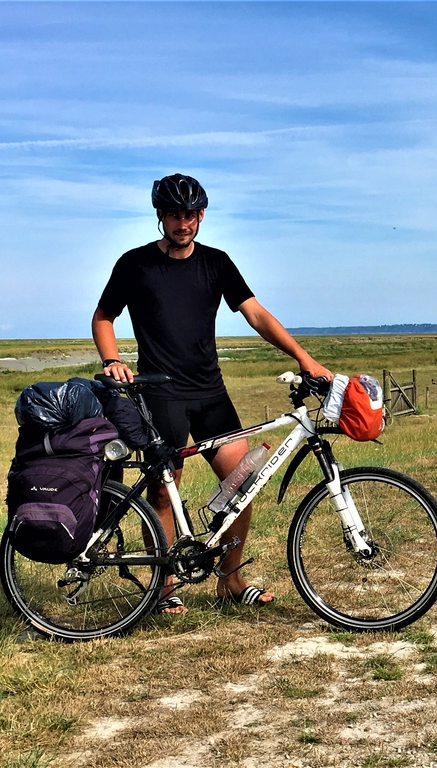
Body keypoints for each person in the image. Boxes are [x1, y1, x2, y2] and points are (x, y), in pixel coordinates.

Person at [92, 174, 332, 614]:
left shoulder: (216, 263)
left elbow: (255, 314)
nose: (182, 223)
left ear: (201, 215)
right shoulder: (135, 264)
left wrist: (304, 357)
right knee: (164, 493)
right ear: (160, 216)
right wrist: (112, 361)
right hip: (160, 395)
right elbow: (103, 316)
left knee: (244, 483)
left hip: (210, 392)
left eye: (189, 215)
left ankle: (230, 579)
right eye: (173, 215)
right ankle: (162, 588)